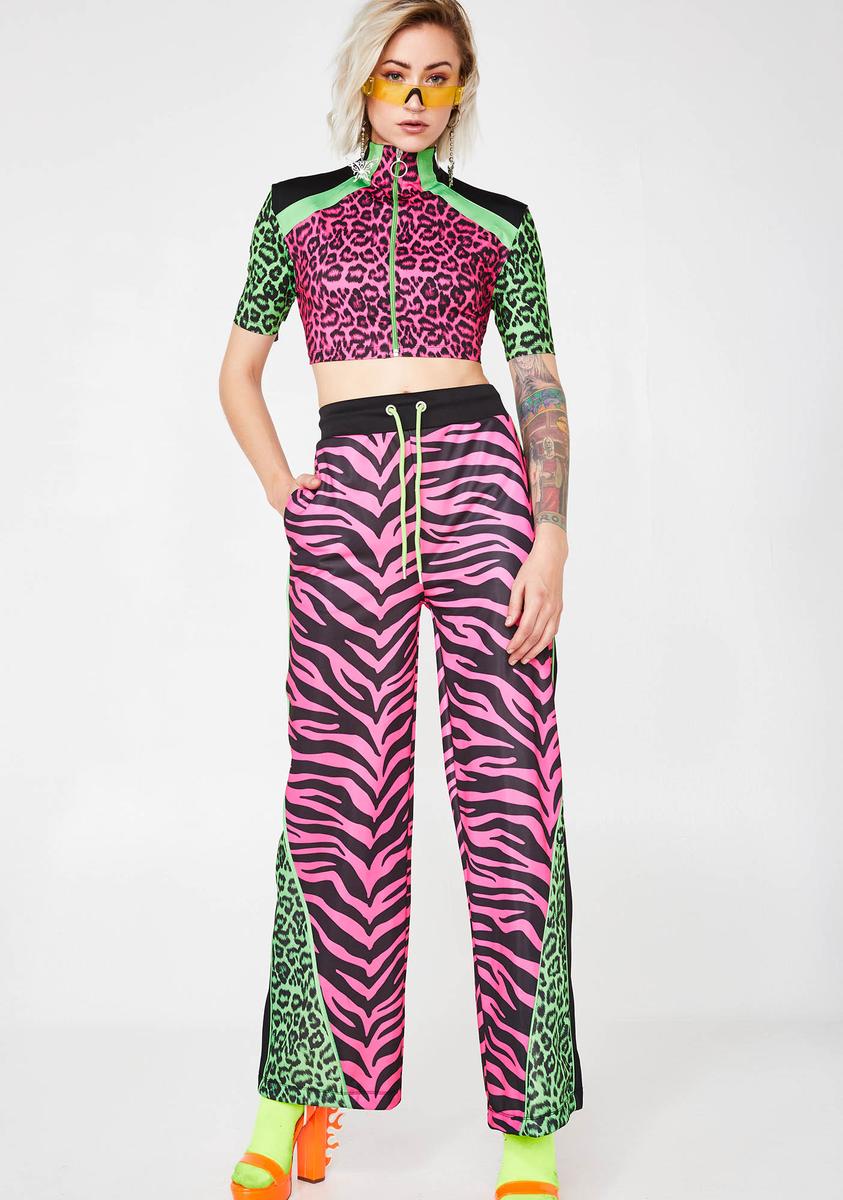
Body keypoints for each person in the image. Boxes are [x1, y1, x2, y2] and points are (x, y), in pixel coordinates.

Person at [218, 2, 582, 1196]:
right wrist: (288, 493)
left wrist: (551, 537)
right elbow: (238, 373)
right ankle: (292, 1101)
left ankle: (528, 1129)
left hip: (481, 481)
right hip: (352, 487)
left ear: (462, 86)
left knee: (512, 787)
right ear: (364, 83)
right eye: (394, 76)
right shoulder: (295, 212)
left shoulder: (501, 224)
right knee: (339, 786)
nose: (415, 99)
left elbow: (539, 385)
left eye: (437, 77)